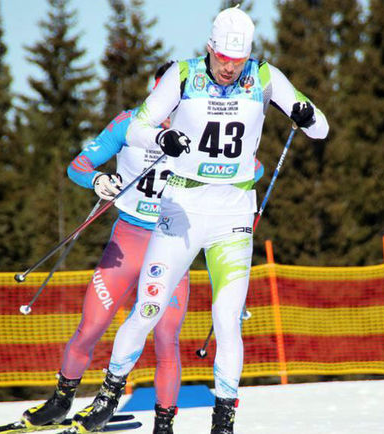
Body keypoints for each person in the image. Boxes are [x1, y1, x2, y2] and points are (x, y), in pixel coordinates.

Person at [70, 6, 329, 434]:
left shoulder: (265, 77)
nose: (229, 69)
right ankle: (108, 396)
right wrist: (161, 136)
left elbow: (320, 128)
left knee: (227, 320)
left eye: (238, 61)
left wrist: (306, 116)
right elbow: (137, 127)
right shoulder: (184, 75)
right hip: (182, 211)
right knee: (149, 308)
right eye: (223, 59)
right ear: (209, 48)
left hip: (232, 215)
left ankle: (223, 422)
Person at [22, 62, 193, 434]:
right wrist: (98, 179)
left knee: (166, 340)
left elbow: (252, 168)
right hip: (127, 241)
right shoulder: (129, 124)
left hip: (172, 245)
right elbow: (78, 165)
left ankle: (164, 424)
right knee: (90, 327)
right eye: (160, 93)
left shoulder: (198, 129)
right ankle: (61, 401)